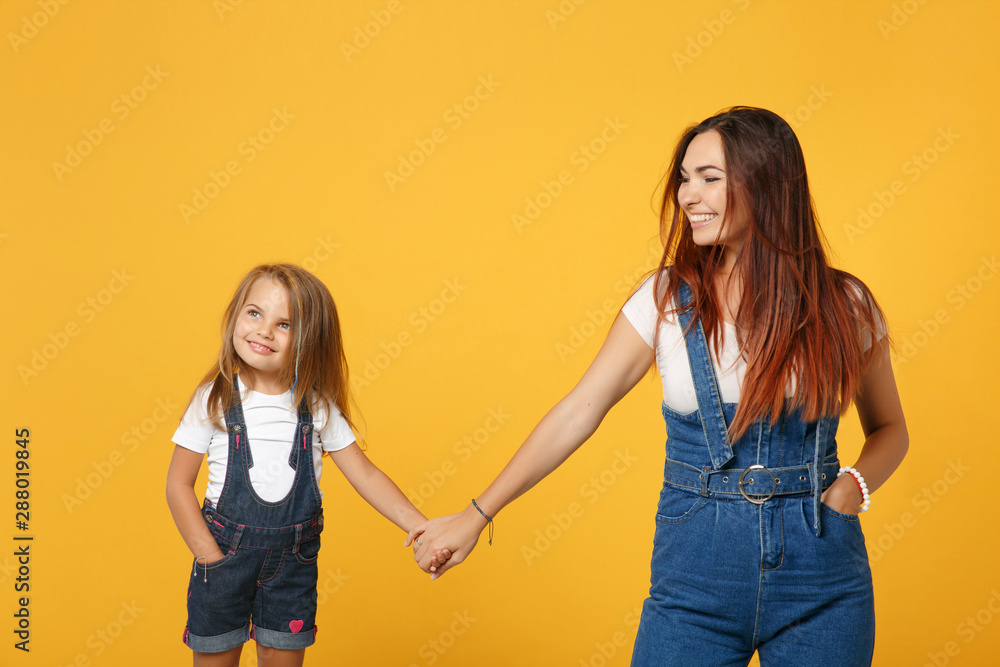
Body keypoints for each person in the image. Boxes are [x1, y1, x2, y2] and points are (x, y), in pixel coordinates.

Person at [406, 107, 908, 666]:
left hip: (823, 577)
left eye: (710, 178)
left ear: (768, 184)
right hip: (696, 577)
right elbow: (578, 411)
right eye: (684, 179)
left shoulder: (846, 305)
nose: (688, 195)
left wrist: (851, 488)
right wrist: (478, 514)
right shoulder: (666, 299)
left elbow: (891, 429)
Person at [166, 264, 448, 667]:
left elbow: (365, 475)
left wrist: (421, 528)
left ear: (309, 340)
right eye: (255, 313)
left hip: (291, 568)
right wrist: (209, 557)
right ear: (235, 316)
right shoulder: (213, 399)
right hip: (222, 561)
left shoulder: (316, 406)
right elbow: (178, 484)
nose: (264, 331)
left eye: (284, 324)